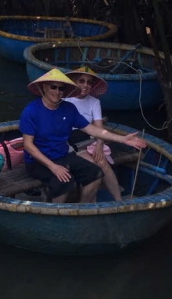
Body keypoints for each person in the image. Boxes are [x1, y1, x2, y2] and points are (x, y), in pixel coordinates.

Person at [19, 69, 146, 203]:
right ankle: (56, 213)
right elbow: (28, 145)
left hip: (62, 156)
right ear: (44, 87)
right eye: (53, 87)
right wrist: (53, 166)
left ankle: (82, 207)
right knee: (65, 181)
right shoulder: (31, 111)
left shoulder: (68, 108)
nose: (57, 92)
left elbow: (92, 129)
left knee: (96, 173)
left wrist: (123, 139)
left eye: (61, 88)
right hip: (38, 161)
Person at [65, 66, 122, 201]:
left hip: (89, 140)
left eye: (89, 82)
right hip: (70, 145)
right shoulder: (65, 101)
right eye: (81, 81)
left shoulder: (94, 102)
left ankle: (119, 201)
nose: (85, 85)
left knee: (102, 161)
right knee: (94, 166)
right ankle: (86, 204)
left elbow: (99, 128)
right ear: (74, 81)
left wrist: (99, 144)